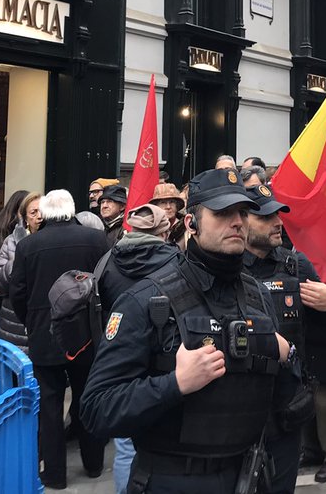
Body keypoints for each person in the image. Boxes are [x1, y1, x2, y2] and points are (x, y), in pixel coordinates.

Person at [80, 168, 294, 494]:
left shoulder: (258, 297)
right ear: (191, 224)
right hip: (174, 480)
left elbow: (284, 405)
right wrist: (175, 384)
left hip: (249, 475)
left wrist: (286, 356)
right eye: (222, 212)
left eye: (242, 211)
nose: (237, 221)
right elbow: (97, 410)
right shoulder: (146, 300)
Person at [243, 183, 326, 485]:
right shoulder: (230, 267)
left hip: (295, 374)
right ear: (242, 221)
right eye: (265, 218)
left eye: (277, 215)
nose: (278, 223)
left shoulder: (295, 263)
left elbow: (323, 316)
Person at [10, 189, 109, 489]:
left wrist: (31, 320)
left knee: (49, 405)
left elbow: (18, 291)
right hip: (86, 332)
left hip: (45, 331)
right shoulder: (95, 240)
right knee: (87, 396)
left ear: (45, 212)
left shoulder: (28, 245)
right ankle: (93, 464)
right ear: (72, 210)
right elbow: (107, 282)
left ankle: (53, 473)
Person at [97, 203, 180, 494]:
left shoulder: (107, 260)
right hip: (163, 360)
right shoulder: (175, 260)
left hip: (120, 355)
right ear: (163, 232)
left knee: (124, 445)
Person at [0, 190, 41, 352]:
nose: (39, 216)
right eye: (33, 212)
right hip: (13, 324)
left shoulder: (52, 241)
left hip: (42, 322)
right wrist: (21, 257)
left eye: (43, 211)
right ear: (25, 218)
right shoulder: (11, 241)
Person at [98, 185, 128, 251]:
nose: (104, 206)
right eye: (102, 202)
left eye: (109, 201)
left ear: (122, 206)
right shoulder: (97, 224)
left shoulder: (127, 227)